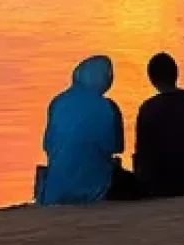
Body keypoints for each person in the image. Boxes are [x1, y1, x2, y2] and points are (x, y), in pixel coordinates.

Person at [38, 55, 140, 205]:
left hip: (54, 192)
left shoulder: (57, 102)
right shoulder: (107, 107)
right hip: (95, 189)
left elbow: (47, 145)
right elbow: (117, 147)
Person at [133, 52, 184, 198]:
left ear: (152, 79)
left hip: (160, 187)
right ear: (176, 74)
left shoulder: (148, 109)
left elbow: (142, 155)